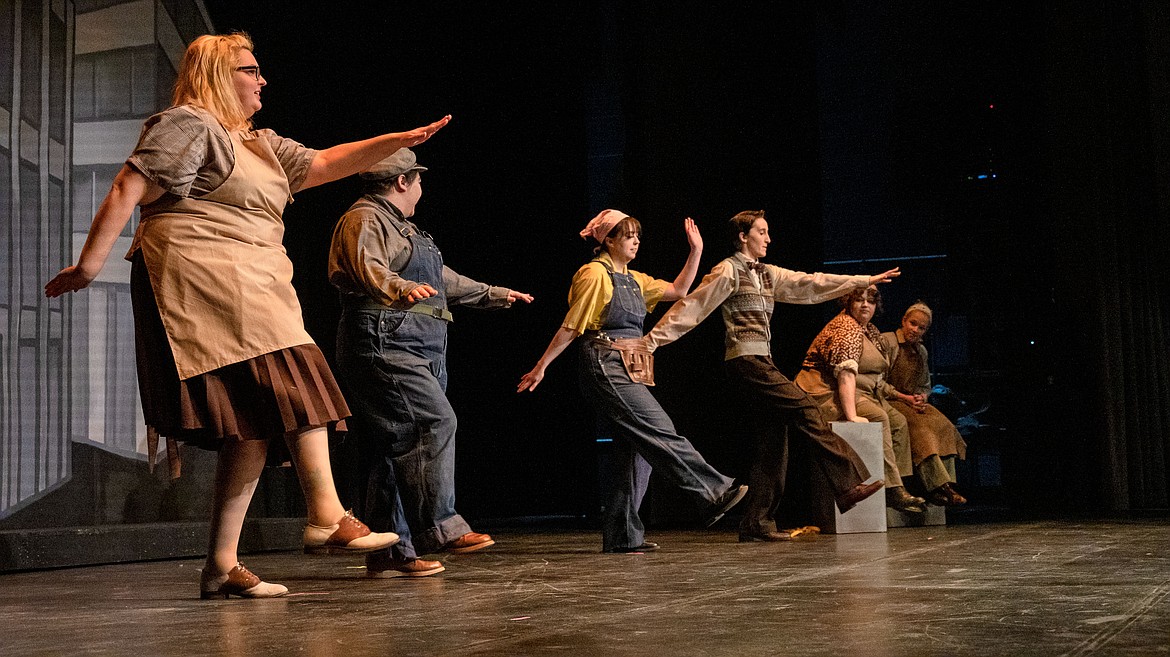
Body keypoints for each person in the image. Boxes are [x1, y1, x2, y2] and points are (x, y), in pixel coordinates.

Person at [44, 33, 451, 599]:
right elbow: (127, 185)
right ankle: (327, 514)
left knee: (251, 429)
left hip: (254, 278)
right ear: (216, 72)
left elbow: (329, 162)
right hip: (205, 275)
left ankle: (221, 565)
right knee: (298, 376)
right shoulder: (189, 124)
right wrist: (90, 266)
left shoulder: (259, 144)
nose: (262, 80)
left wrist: (396, 140)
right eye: (249, 69)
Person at [330, 148, 533, 577]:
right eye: (419, 180)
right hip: (385, 338)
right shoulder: (364, 218)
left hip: (418, 341)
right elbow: (367, 266)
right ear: (403, 181)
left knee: (392, 448)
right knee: (432, 423)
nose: (422, 187)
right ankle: (441, 525)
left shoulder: (404, 228)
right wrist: (398, 286)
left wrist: (494, 293)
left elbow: (441, 279)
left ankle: (391, 551)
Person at [644, 209, 891, 542]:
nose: (769, 238)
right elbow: (693, 307)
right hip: (746, 360)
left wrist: (861, 281)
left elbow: (811, 283)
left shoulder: (767, 274)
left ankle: (757, 522)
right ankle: (846, 485)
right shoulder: (728, 270)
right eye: (762, 232)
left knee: (774, 439)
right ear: (744, 236)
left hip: (764, 359)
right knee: (805, 408)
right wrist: (652, 341)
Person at [518, 210, 747, 553]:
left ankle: (623, 535)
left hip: (631, 364)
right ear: (608, 240)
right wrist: (542, 366)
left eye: (637, 235)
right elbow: (572, 325)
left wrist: (696, 250)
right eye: (628, 235)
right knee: (658, 428)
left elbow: (678, 289)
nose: (636, 240)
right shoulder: (594, 274)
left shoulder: (634, 278)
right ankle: (713, 491)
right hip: (605, 361)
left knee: (636, 451)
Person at [795, 285, 927, 513]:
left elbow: (875, 376)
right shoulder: (846, 327)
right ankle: (893, 490)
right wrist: (851, 415)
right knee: (879, 416)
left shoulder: (870, 330)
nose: (865, 305)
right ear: (848, 302)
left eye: (871, 300)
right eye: (859, 300)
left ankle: (900, 484)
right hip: (825, 391)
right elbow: (845, 376)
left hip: (862, 391)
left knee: (899, 422)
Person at [880, 302, 968, 506]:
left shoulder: (922, 351)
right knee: (922, 431)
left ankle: (947, 485)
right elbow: (878, 380)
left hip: (911, 401)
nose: (915, 330)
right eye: (913, 324)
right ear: (903, 321)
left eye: (922, 328)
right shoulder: (888, 341)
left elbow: (924, 384)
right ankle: (939, 487)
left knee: (943, 426)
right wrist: (904, 397)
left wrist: (922, 397)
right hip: (891, 399)